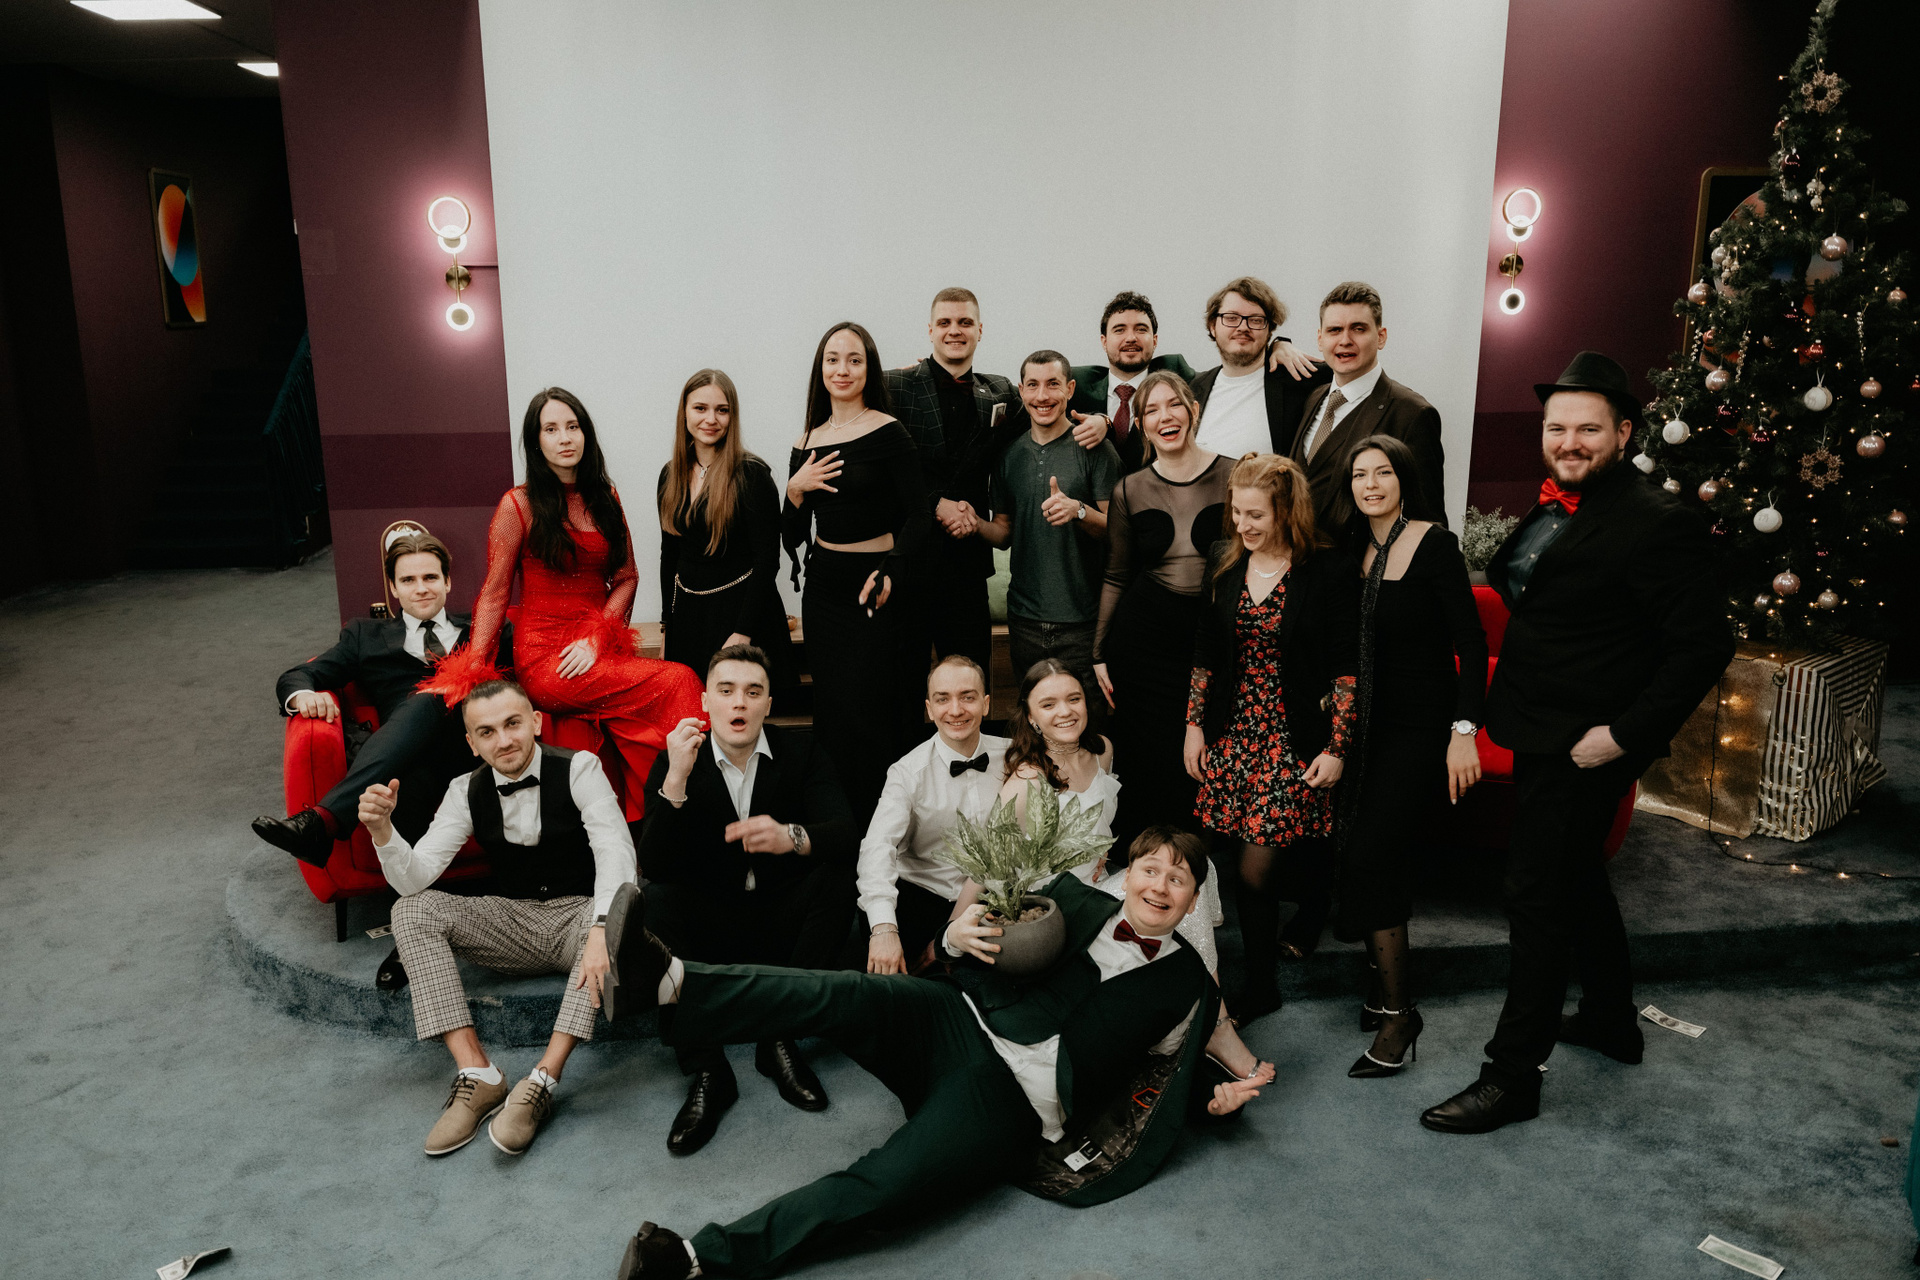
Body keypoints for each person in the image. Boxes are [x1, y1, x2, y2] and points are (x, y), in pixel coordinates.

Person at [600, 829, 1274, 1279]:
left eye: (1178, 879)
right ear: (1129, 875)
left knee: (883, 1183)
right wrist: (954, 939)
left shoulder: (1189, 984)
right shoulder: (1069, 899)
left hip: (1010, 1099)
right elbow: (978, 955)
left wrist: (1219, 1103)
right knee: (843, 993)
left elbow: (1170, 1076)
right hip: (955, 1017)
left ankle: (692, 1258)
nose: (1159, 886)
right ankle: (667, 981)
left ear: (1194, 899)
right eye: (1150, 869)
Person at [1420, 351, 1734, 1134]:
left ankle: (1511, 1078)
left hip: (1587, 744)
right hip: (1536, 725)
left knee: (1537, 897)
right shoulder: (1559, 505)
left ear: (1623, 433)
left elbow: (1703, 648)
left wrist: (1623, 737)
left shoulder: (1659, 522)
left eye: (1587, 429)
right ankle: (1610, 1019)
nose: (1568, 441)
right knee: (1578, 877)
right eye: (1556, 427)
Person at [362, 679, 635, 1157]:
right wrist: (383, 831)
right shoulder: (464, 789)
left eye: (512, 724)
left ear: (536, 722)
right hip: (513, 923)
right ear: (472, 743)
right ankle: (478, 1073)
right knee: (412, 908)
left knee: (619, 921)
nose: (504, 741)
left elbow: (616, 851)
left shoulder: (580, 768)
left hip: (580, 916)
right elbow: (415, 878)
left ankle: (542, 1080)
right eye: (487, 732)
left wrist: (599, 927)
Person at [421, 388, 704, 818]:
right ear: (536, 442)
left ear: (585, 433)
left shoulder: (605, 497)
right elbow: (495, 592)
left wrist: (595, 638)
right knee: (681, 678)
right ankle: (688, 805)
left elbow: (627, 578)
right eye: (551, 429)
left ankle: (669, 809)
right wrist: (474, 668)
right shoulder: (518, 504)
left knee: (676, 684)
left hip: (593, 649)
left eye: (572, 426)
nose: (565, 437)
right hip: (546, 660)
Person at [635, 645, 857, 1156]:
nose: (740, 702)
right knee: (656, 899)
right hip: (711, 925)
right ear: (705, 702)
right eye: (727, 690)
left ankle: (778, 1038)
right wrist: (676, 780)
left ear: (768, 703)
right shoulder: (676, 760)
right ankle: (707, 1069)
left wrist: (791, 836)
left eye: (753, 692)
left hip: (781, 922)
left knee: (838, 878)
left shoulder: (801, 751)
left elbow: (846, 834)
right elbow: (655, 865)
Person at [1186, 454, 1358, 1023]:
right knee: (1213, 851)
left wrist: (1336, 747)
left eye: (1255, 514)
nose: (1243, 525)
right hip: (1234, 732)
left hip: (1294, 737)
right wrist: (1193, 725)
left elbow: (1345, 668)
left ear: (1287, 511)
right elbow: (1205, 652)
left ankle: (1261, 987)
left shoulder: (1327, 569)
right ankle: (1246, 976)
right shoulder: (1224, 560)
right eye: (1237, 512)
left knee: (1255, 870)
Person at [1336, 435, 1487, 1079]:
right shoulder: (1352, 546)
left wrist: (1464, 730)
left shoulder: (1434, 544)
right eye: (1359, 475)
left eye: (1383, 472)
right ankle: (1380, 990)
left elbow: (1471, 645)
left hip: (1419, 728)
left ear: (1404, 479)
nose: (1370, 484)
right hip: (1361, 728)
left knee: (1374, 856)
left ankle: (1401, 1015)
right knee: (1360, 851)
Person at [253, 531, 483, 863]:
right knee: (402, 784)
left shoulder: (482, 628)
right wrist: (303, 696)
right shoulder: (365, 635)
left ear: (447, 581)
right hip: (404, 756)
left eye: (431, 577)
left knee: (434, 695)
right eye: (408, 580)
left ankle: (323, 821)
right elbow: (298, 675)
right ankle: (410, 892)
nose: (421, 588)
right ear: (393, 588)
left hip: (469, 748)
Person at [782, 321, 927, 818]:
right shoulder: (808, 440)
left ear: (869, 368)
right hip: (824, 587)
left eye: (854, 359)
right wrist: (794, 491)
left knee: (874, 708)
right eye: (833, 359)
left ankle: (883, 824)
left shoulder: (888, 431)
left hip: (875, 583)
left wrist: (892, 571)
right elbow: (791, 536)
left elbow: (920, 514)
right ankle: (838, 824)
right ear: (820, 369)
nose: (842, 369)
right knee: (834, 711)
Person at [1092, 371, 1230, 852]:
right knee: (1148, 757)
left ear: (1193, 410)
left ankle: (1197, 866)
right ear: (1141, 425)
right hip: (1143, 640)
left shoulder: (1235, 475)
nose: (1164, 417)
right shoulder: (1129, 489)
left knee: (1205, 751)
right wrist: (1098, 652)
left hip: (1209, 635)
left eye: (1174, 405)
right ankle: (1145, 864)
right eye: (1151, 410)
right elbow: (1116, 574)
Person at [880, 288, 1019, 688]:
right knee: (902, 687)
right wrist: (934, 503)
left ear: (980, 330)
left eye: (964, 322)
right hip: (906, 563)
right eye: (945, 322)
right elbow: (880, 469)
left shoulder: (1001, 392)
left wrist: (1098, 420)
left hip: (967, 569)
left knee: (972, 682)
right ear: (930, 330)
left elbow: (1051, 398)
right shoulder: (893, 386)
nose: (954, 330)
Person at [976, 352, 1120, 706]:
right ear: (1021, 391)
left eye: (1053, 384)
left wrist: (1079, 510)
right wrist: (974, 523)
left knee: (1086, 724)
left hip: (1083, 622)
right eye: (1033, 385)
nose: (1042, 396)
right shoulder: (1009, 456)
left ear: (1069, 389)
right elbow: (1004, 534)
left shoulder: (1095, 448)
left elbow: (1121, 531)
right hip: (1024, 621)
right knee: (1033, 723)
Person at [857, 655, 1008, 976]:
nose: (955, 710)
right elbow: (877, 848)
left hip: (993, 900)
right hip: (924, 899)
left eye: (967, 697)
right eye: (943, 699)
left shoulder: (1013, 756)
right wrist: (884, 929)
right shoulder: (907, 772)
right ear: (929, 709)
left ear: (986, 704)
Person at [1073, 289, 1319, 474]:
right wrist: (1103, 420)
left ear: (1155, 340)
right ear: (1103, 341)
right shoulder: (1077, 384)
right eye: (1119, 330)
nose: (1131, 338)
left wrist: (1278, 345)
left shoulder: (1180, 376)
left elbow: (1234, 365)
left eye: (1141, 329)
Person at [657, 369, 794, 695]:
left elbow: (767, 561)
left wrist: (743, 632)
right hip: (690, 620)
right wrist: (667, 629)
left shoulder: (752, 475)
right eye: (700, 408)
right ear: (684, 412)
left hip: (743, 619)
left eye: (722, 410)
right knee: (695, 712)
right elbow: (670, 556)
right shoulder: (670, 475)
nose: (711, 419)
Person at [1287, 281, 1446, 538]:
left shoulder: (1412, 414)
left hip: (1360, 562)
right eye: (1335, 330)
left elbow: (1428, 519)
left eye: (1358, 329)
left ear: (1381, 337)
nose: (1345, 340)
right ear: (1320, 339)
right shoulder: (1313, 398)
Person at [1189, 276, 1332, 462]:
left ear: (1269, 330)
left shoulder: (1299, 378)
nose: (1243, 327)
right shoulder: (1194, 388)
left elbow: (1351, 373)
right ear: (1212, 327)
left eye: (1256, 320)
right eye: (1231, 318)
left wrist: (1282, 343)